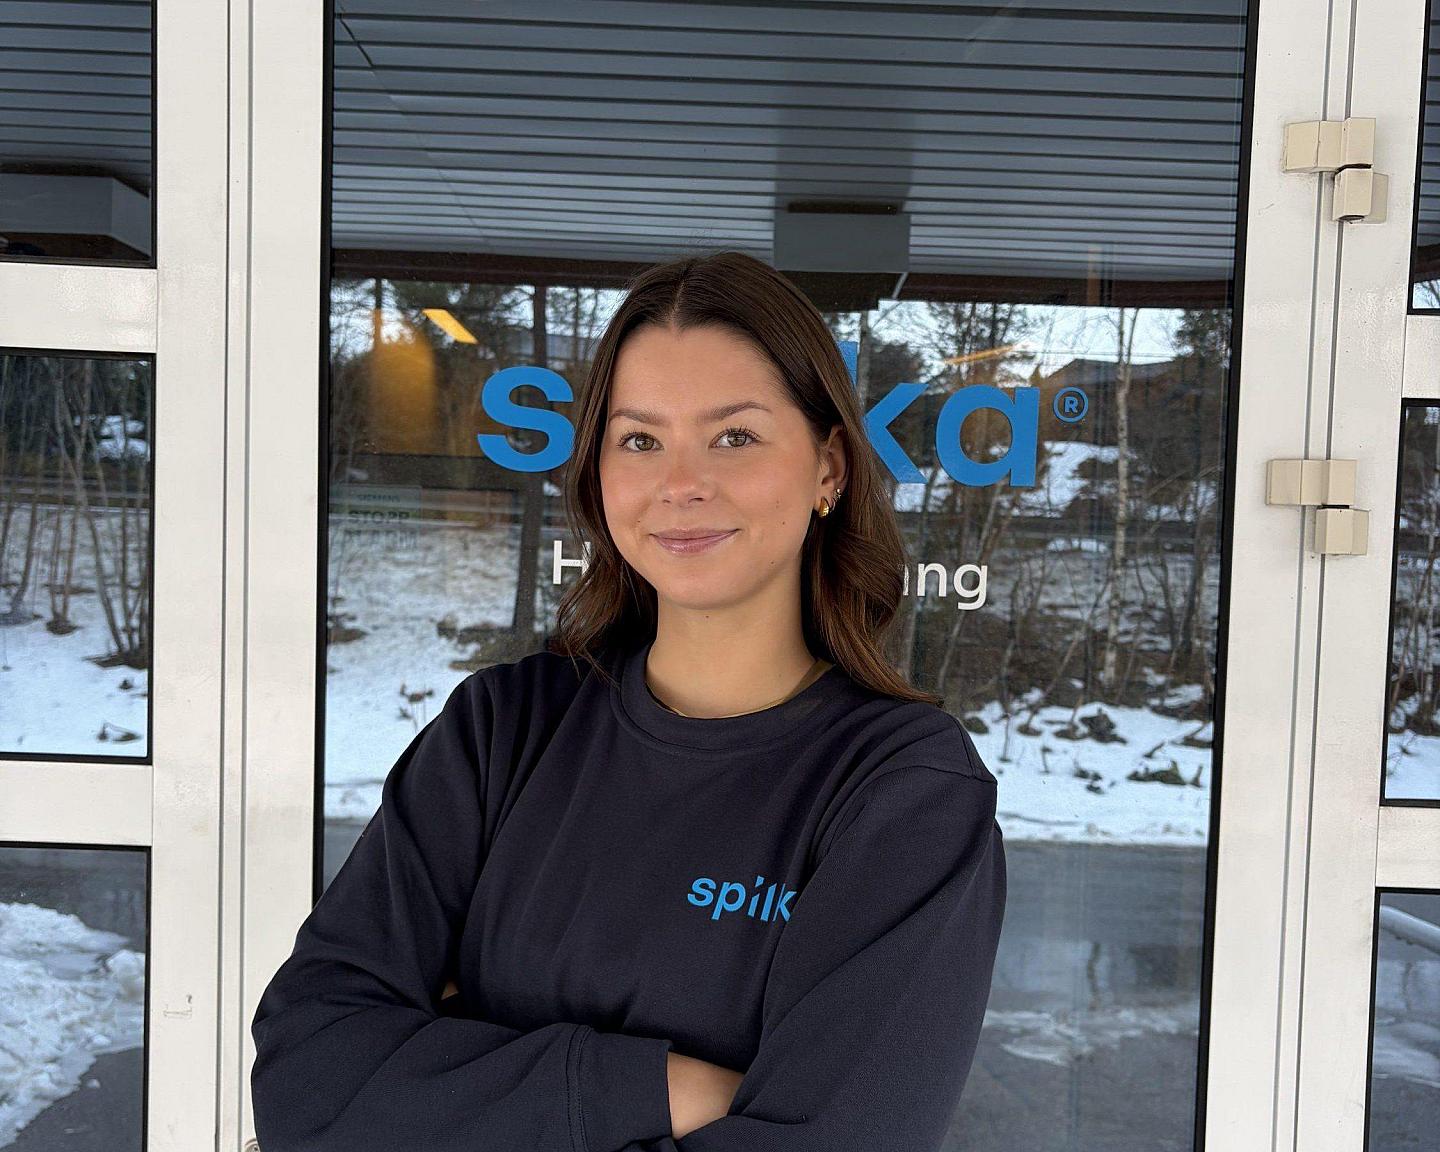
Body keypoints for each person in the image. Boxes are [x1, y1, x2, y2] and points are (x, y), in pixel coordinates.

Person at [250, 250, 1007, 1151]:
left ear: (830, 470)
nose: (680, 482)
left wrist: (446, 1081)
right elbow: (308, 1069)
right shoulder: (502, 733)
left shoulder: (902, 796)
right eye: (639, 439)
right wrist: (661, 1087)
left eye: (735, 436)